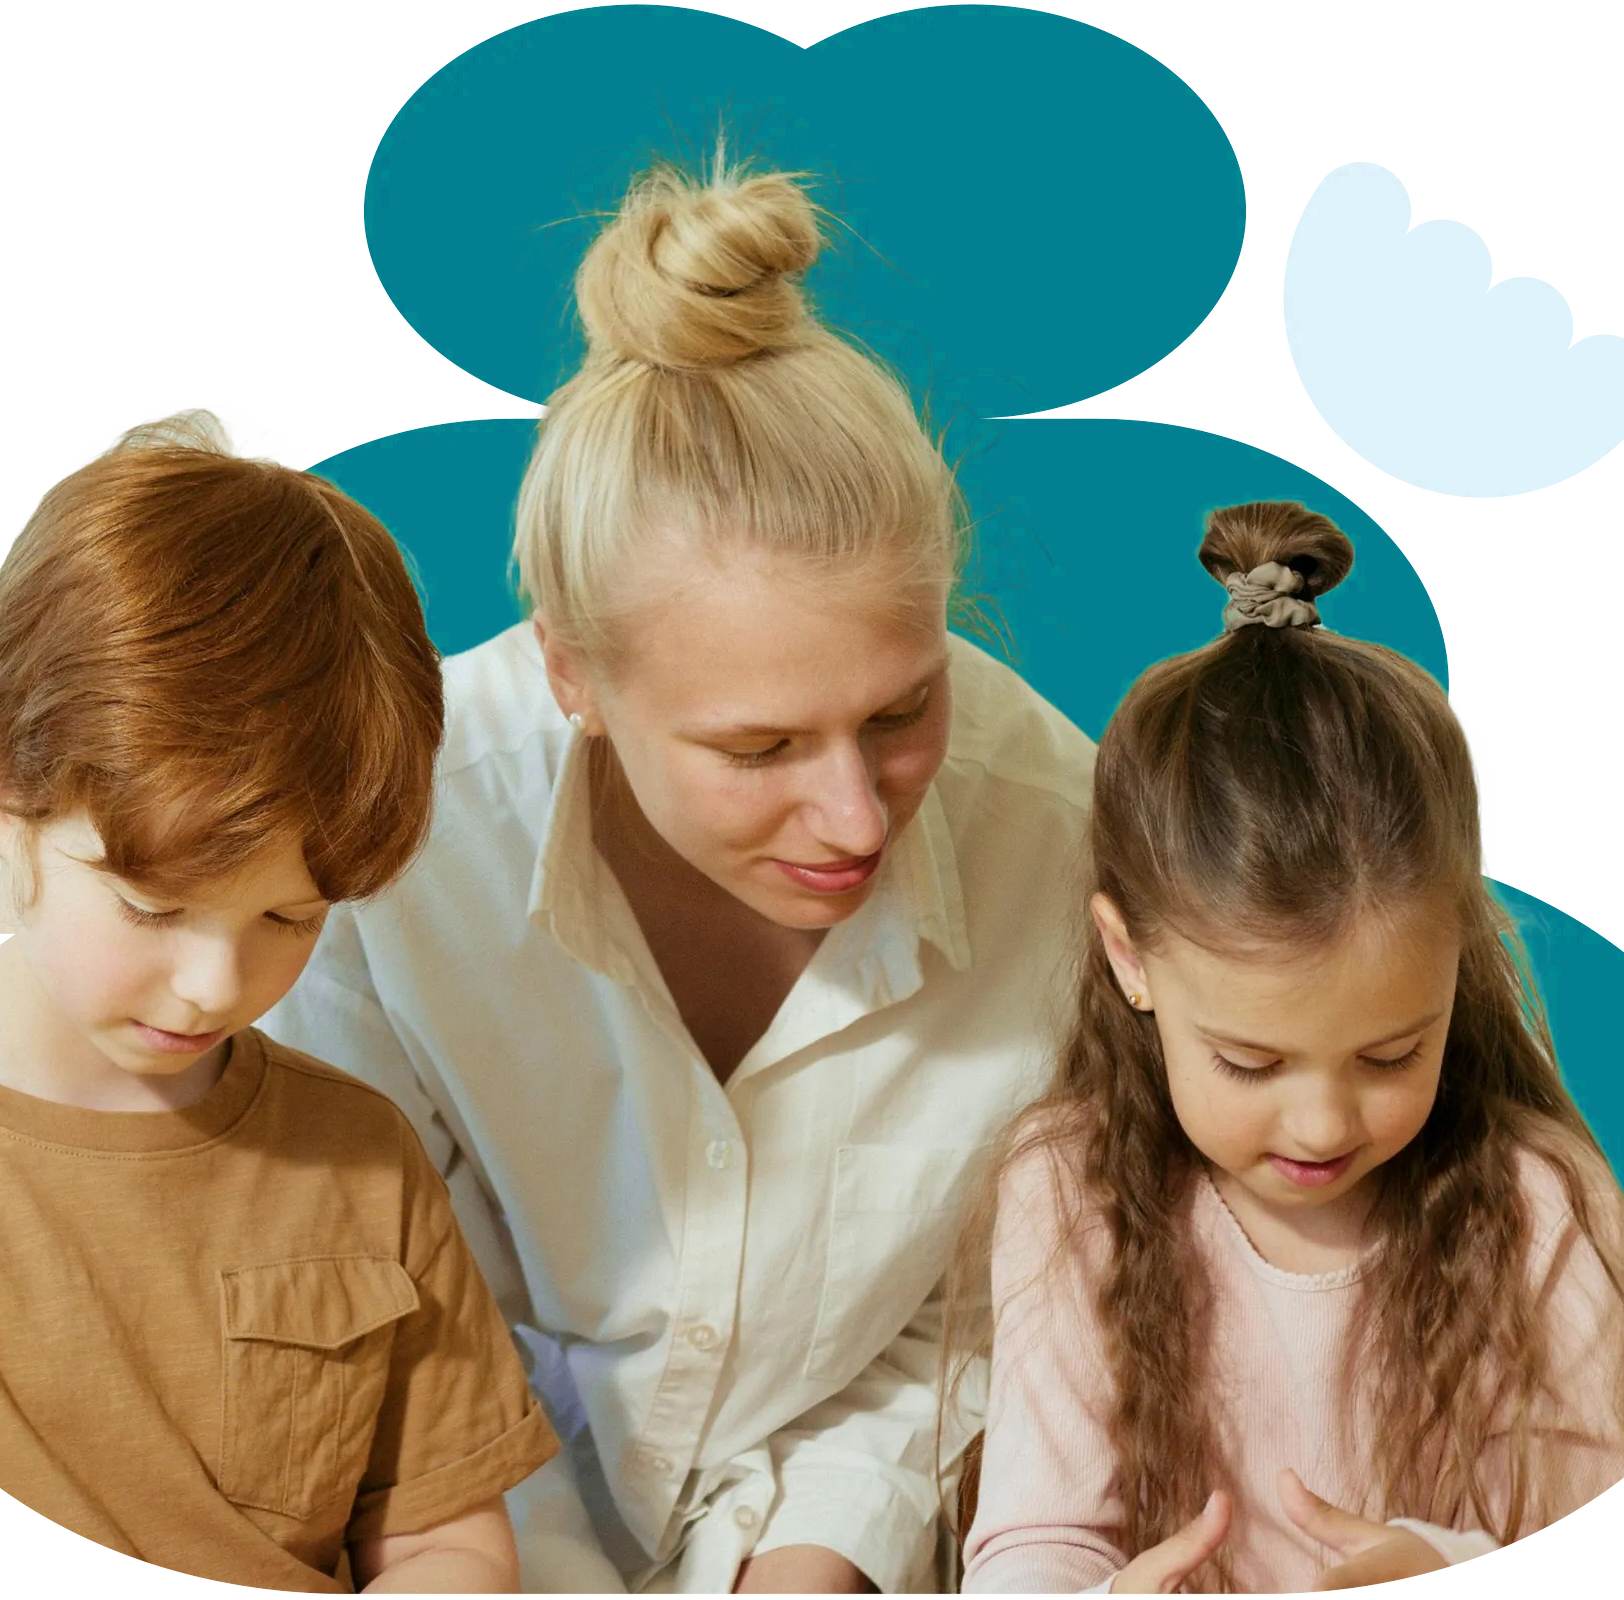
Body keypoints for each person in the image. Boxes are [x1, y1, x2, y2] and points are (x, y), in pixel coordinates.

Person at [261, 158, 1097, 1593]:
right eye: (758, 747)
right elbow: (397, 1320)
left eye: (903, 709)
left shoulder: (1062, 835)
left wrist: (823, 1548)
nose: (854, 817)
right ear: (572, 672)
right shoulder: (386, 849)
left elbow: (988, 1303)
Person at [0, 415, 559, 1593]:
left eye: (290, 918)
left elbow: (447, 1539)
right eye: (154, 906)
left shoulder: (361, 1160)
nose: (219, 985)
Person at [957, 502, 1624, 1594]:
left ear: (1456, 960)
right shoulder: (1069, 1189)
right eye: (1251, 1063)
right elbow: (1032, 1539)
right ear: (1130, 959)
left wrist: (1446, 1569)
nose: (1325, 1124)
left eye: (1392, 1056)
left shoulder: (1543, 1211)